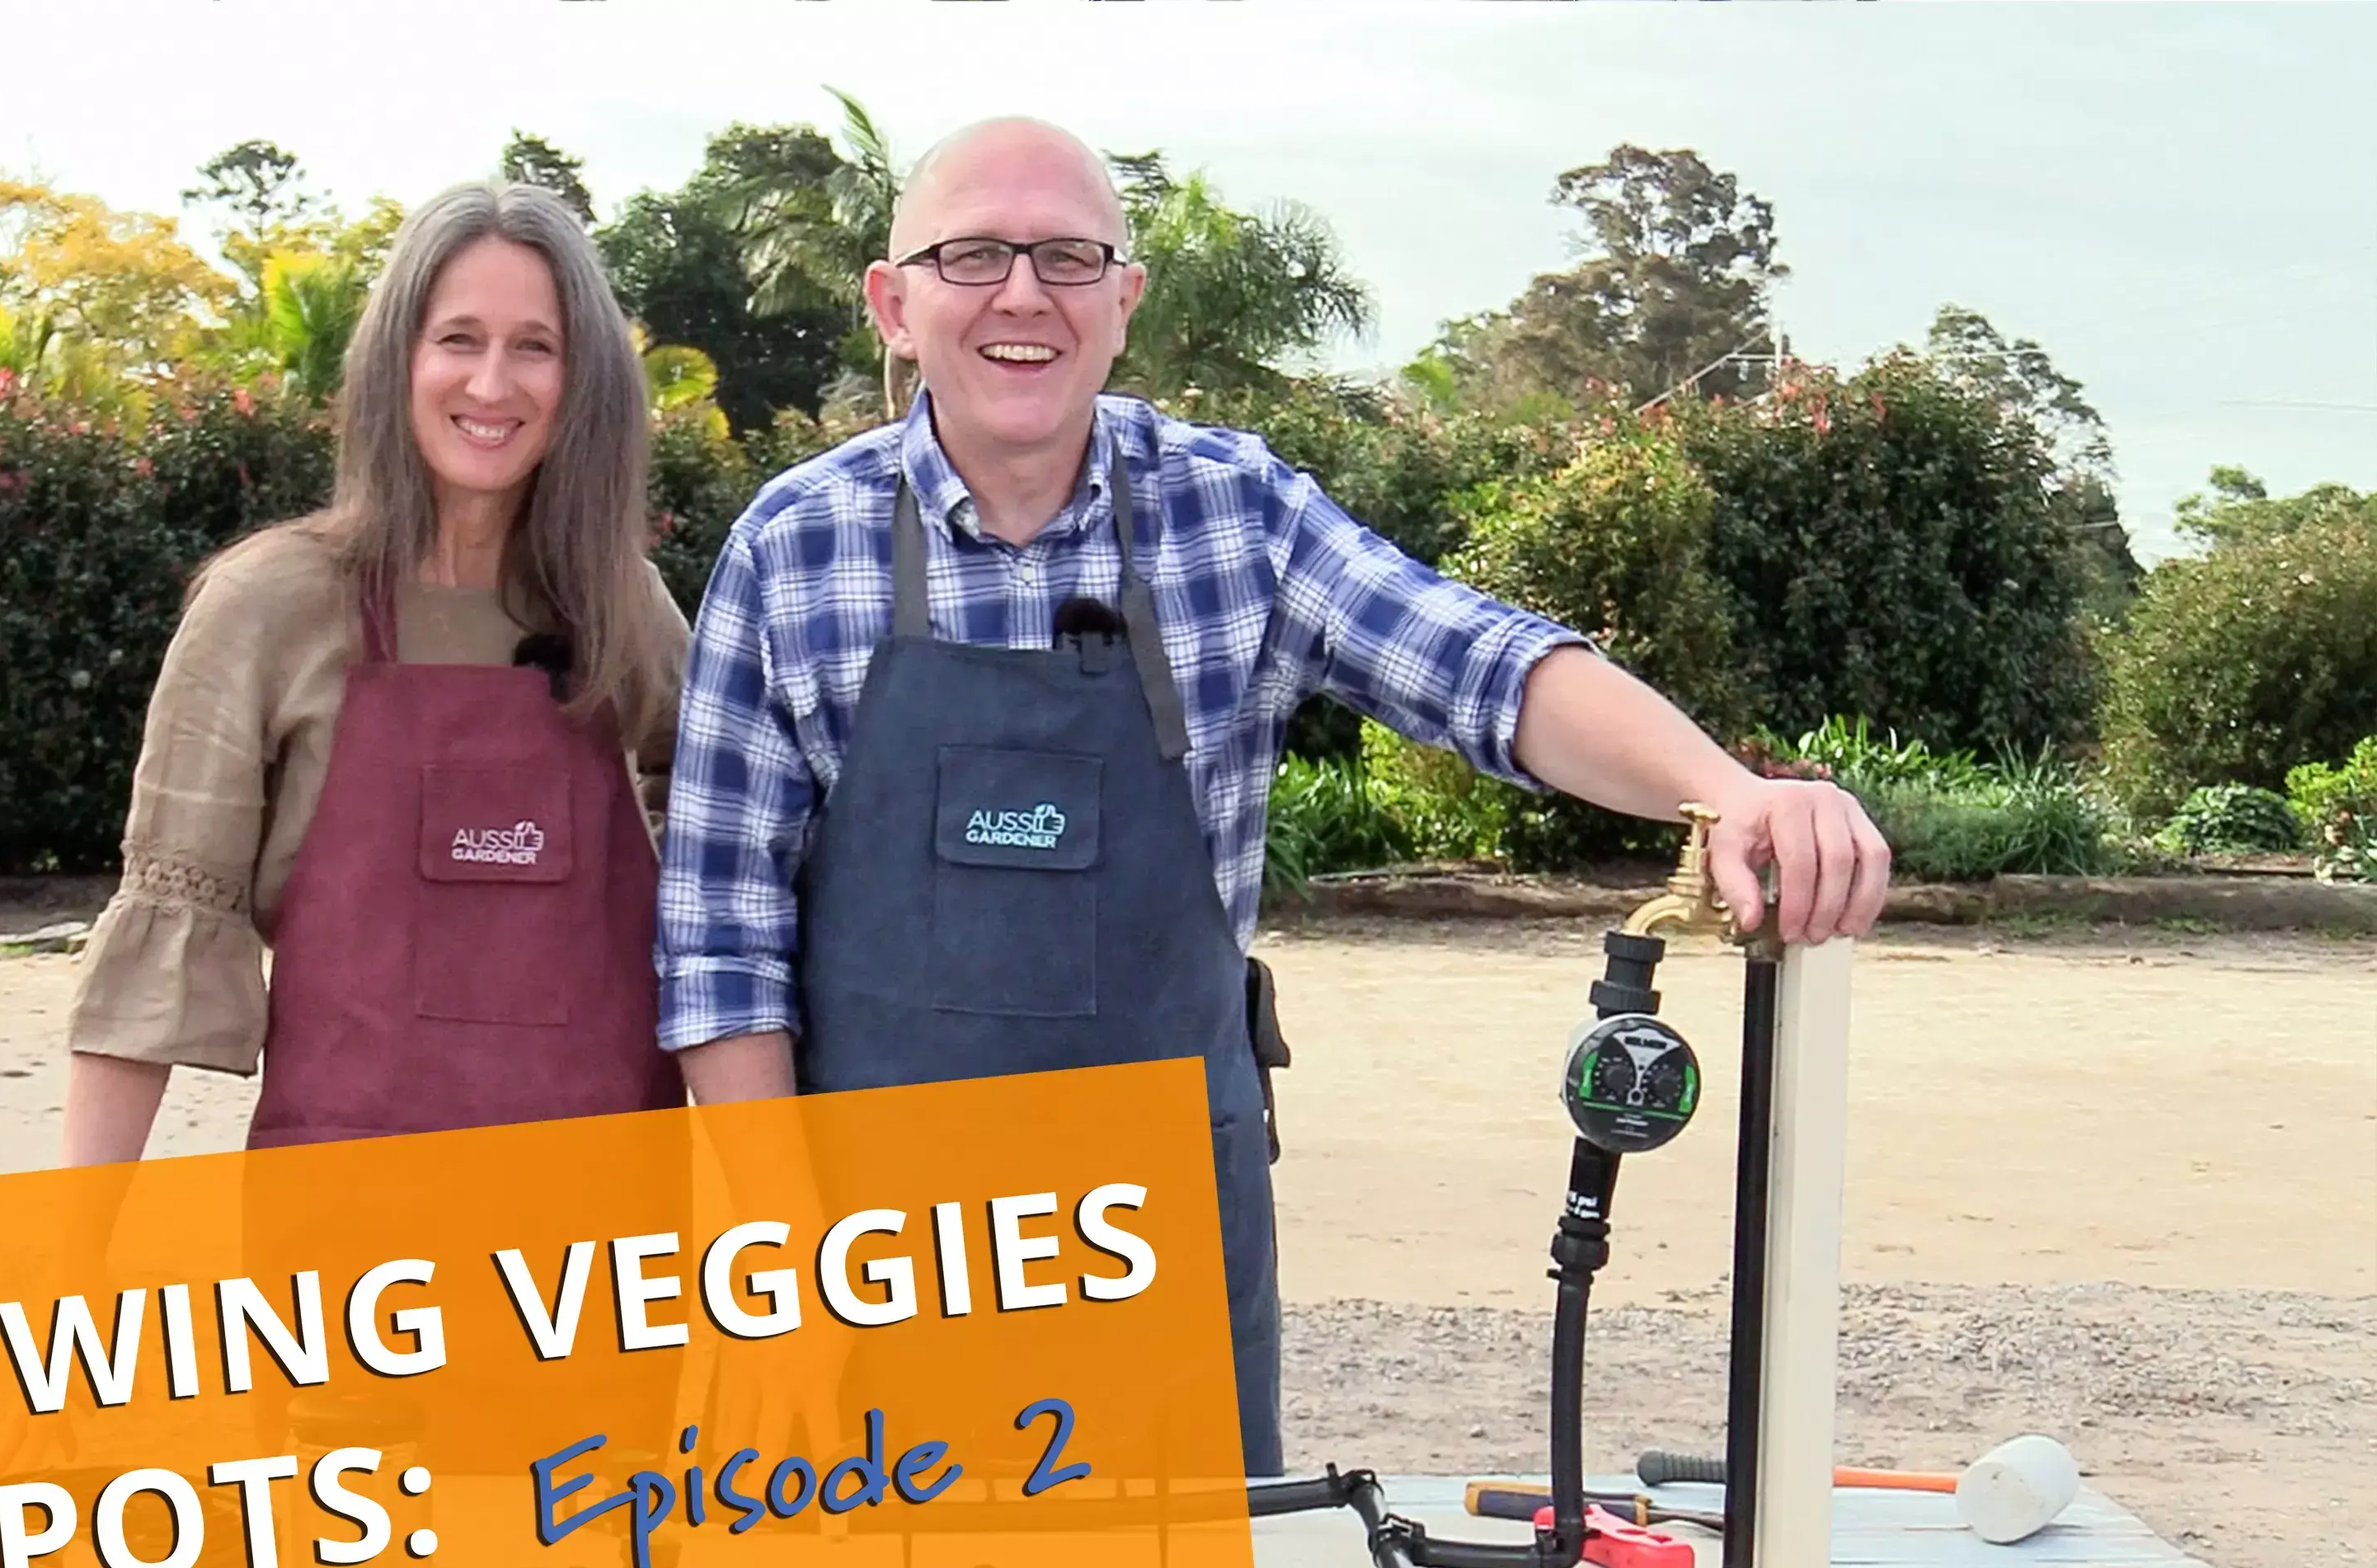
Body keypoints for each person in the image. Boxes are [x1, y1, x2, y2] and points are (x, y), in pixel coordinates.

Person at [652, 118, 1891, 1481]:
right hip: (870, 1251)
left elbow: (1477, 665)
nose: (1022, 295)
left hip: (1157, 1237)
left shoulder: (1234, 515)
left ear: (1125, 303)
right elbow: (722, 955)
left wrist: (1722, 793)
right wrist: (786, 1281)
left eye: (1069, 258)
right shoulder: (790, 546)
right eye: (974, 256)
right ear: (897, 303)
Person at [59, 178, 693, 1171]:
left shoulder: (625, 608)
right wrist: (73, 1263)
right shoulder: (270, 605)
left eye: (536, 346)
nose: (492, 385)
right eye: (458, 339)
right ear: (395, 359)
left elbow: (722, 861)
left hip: (604, 1220)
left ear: (586, 384)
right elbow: (168, 932)